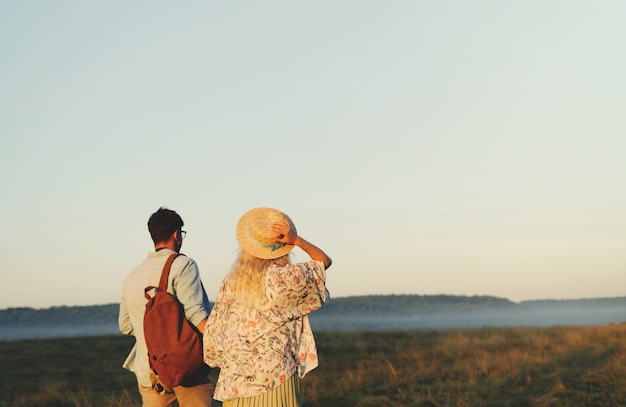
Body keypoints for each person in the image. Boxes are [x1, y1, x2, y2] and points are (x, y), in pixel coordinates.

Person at [203, 207, 332, 407]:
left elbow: (216, 327)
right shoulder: (282, 278)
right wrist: (298, 240)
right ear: (282, 247)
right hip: (275, 373)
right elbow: (323, 262)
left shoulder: (230, 281)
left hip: (236, 378)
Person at [119, 207, 214, 407]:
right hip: (185, 369)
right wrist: (225, 346)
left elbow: (125, 326)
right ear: (176, 234)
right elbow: (196, 315)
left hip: (149, 371)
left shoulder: (132, 277)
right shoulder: (183, 265)